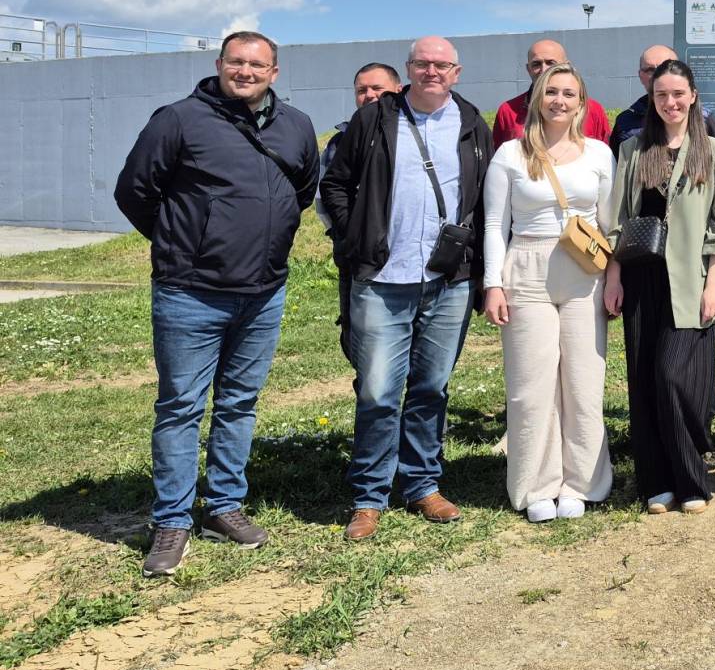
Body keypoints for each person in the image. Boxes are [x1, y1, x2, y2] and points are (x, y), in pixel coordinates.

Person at [114, 30, 319, 578]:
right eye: (236, 62)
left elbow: (302, 190)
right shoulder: (179, 119)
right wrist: (183, 243)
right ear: (219, 63)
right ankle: (171, 520)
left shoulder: (296, 125)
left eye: (257, 65)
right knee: (181, 407)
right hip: (191, 293)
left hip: (264, 292)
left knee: (238, 404)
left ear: (274, 72)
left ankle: (223, 506)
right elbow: (134, 191)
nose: (245, 72)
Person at [320, 36, 493, 542]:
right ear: (409, 69)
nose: (431, 71)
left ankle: (422, 484)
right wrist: (355, 237)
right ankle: (369, 496)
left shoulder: (472, 124)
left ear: (456, 72)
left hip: (446, 281)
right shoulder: (375, 119)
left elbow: (483, 199)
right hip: (381, 279)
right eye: (422, 63)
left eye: (442, 65)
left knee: (431, 388)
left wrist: (478, 270)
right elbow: (335, 184)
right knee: (377, 392)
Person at [483, 62, 614, 522]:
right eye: (551, 92)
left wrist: (615, 277)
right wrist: (493, 283)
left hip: (584, 270)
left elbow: (610, 223)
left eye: (569, 94)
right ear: (538, 98)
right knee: (530, 385)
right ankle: (535, 484)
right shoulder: (510, 155)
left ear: (582, 103)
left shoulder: (599, 154)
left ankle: (582, 482)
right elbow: (494, 225)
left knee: (583, 381)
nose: (559, 100)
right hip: (527, 266)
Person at [602, 59, 715, 514]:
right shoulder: (634, 149)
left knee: (673, 375)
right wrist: (613, 278)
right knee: (643, 380)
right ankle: (655, 482)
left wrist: (714, 285)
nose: (670, 102)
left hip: (691, 279)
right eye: (662, 95)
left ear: (693, 96)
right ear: (651, 99)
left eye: (678, 94)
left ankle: (691, 480)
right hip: (641, 277)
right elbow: (618, 219)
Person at [317, 62, 402, 362]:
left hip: (408, 259)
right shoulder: (340, 141)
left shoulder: (414, 136)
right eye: (361, 90)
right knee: (360, 342)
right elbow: (326, 198)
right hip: (357, 259)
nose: (369, 95)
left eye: (378, 88)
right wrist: (353, 235)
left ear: (398, 90)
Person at [607, 43, 715, 159]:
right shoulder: (626, 121)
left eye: (666, 67)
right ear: (640, 75)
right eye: (650, 70)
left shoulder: (704, 118)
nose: (658, 75)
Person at [491, 38, 610, 149]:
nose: (544, 70)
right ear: (528, 69)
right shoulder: (508, 111)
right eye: (536, 64)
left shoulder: (593, 109)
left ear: (567, 66)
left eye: (551, 63)